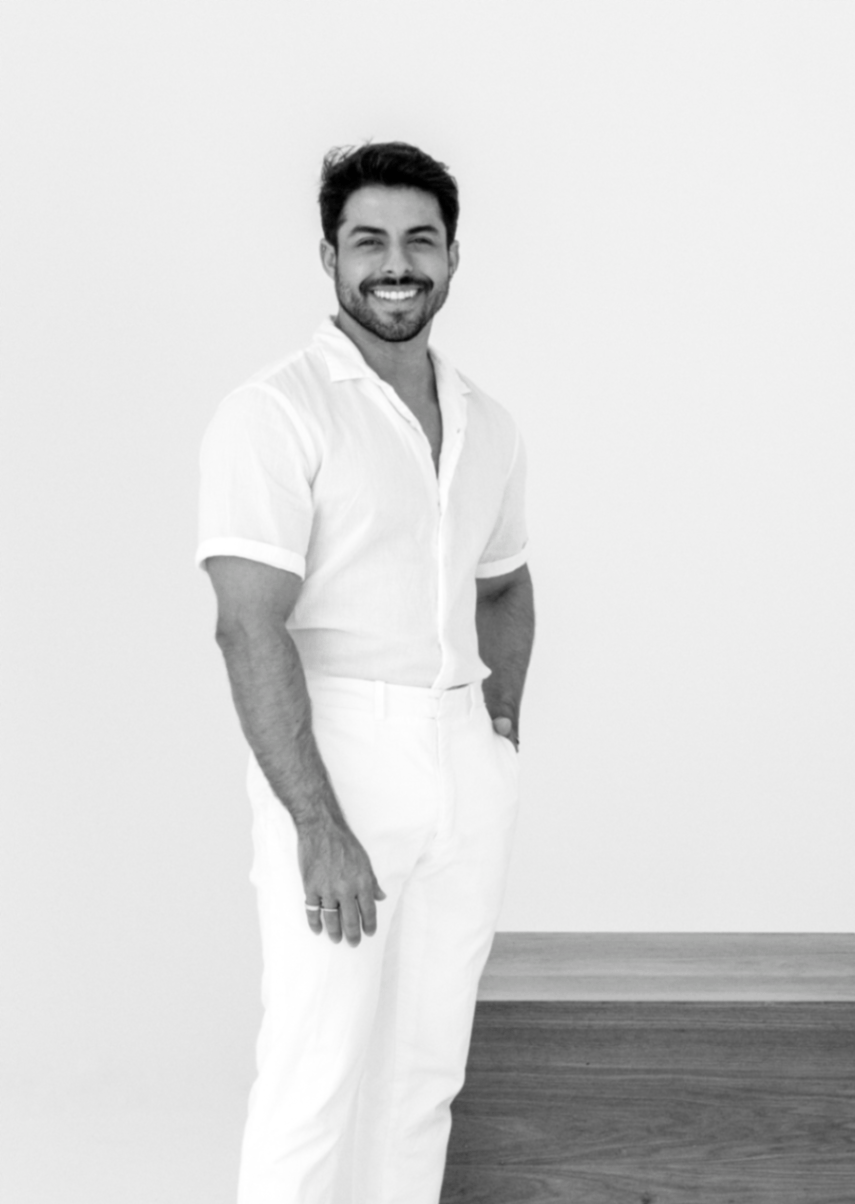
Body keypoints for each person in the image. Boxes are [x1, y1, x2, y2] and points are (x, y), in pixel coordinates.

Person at [196, 141, 534, 1204]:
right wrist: (317, 821)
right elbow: (248, 627)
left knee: (423, 1076)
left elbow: (504, 584)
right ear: (329, 257)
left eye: (420, 241)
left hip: (459, 755)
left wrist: (497, 734)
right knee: (316, 1069)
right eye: (369, 241)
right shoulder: (276, 410)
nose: (397, 264)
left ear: (453, 257)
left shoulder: (486, 420)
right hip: (338, 749)